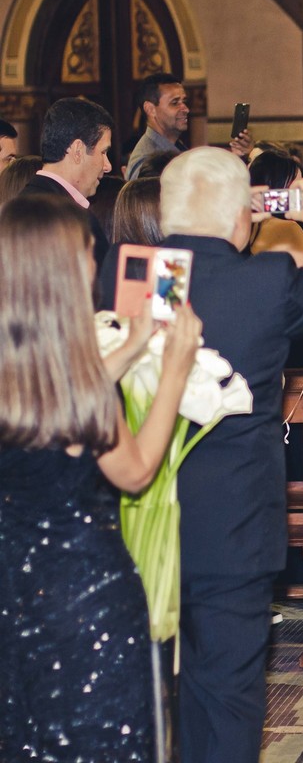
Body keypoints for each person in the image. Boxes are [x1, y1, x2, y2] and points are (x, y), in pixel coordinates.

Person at [98, 147, 303, 763]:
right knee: (227, 691)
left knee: (149, 691)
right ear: (243, 214)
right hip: (234, 525)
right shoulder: (264, 279)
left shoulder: (128, 273)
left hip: (139, 514)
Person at [1, 194, 202, 760]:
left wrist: (132, 346)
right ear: (67, 270)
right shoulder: (76, 372)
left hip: (13, 595)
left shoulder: (26, 374)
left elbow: (48, 419)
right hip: (86, 598)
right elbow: (134, 471)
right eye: (90, 253)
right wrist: (174, 372)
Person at [20, 97, 115, 267]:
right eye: (103, 152)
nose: (108, 166)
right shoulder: (75, 222)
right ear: (78, 150)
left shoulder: (14, 208)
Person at [126, 73, 252, 180]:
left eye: (184, 102)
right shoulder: (145, 160)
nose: (185, 109)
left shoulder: (178, 148)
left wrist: (238, 156)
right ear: (150, 109)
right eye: (175, 103)